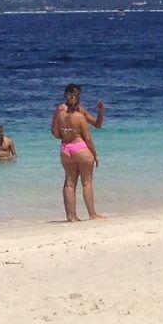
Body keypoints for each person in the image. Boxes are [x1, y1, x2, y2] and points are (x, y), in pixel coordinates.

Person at [51, 83, 106, 221]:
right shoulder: (80, 113)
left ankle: (71, 216)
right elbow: (89, 136)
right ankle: (92, 214)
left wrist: (66, 134)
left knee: (69, 182)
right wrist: (95, 154)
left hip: (65, 149)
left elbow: (55, 133)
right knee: (87, 182)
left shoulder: (60, 111)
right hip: (80, 148)